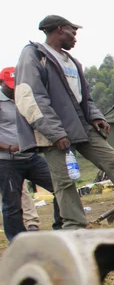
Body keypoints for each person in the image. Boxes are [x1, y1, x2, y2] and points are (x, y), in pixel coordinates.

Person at [15, 16, 114, 230]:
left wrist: (96, 116)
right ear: (60, 30)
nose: (75, 38)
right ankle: (74, 224)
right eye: (73, 32)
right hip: (53, 130)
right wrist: (55, 133)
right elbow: (31, 98)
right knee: (64, 180)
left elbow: (84, 97)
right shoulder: (34, 55)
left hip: (81, 125)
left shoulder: (72, 62)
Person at [0, 66, 62, 240]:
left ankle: (61, 228)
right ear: (1, 83)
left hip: (30, 156)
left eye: (16, 84)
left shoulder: (25, 97)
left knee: (60, 186)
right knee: (12, 204)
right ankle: (18, 241)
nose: (14, 89)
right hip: (7, 161)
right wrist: (8, 147)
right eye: (10, 86)